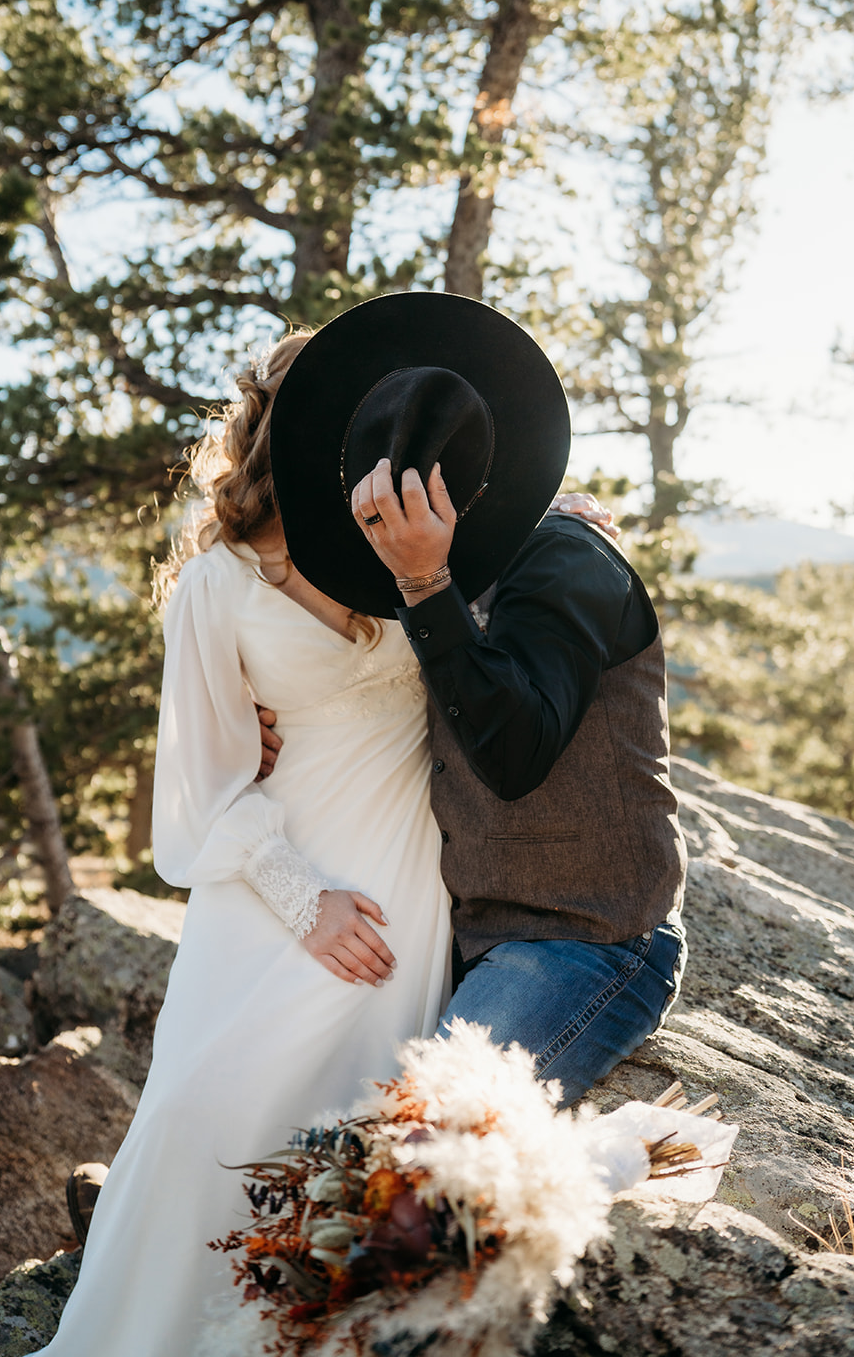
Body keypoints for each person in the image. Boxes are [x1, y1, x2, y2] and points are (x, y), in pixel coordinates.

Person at [35, 333, 451, 1357]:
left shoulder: (410, 531)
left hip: (402, 876)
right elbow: (201, 794)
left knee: (344, 1144)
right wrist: (305, 900)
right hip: (271, 888)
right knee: (197, 1119)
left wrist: (555, 522)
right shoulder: (215, 583)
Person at [268, 291, 688, 1106]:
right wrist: (263, 724)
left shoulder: (566, 559)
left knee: (418, 1142)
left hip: (585, 940)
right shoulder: (413, 580)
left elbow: (513, 751)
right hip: (448, 939)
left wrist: (425, 581)